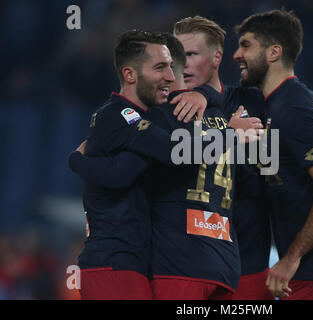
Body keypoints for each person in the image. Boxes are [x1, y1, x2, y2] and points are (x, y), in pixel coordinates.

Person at [172, 15, 313, 300]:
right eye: (176, 56)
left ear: (216, 57)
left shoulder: (259, 103)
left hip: (255, 268)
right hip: (188, 267)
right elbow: (168, 153)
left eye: (192, 54)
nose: (182, 64)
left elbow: (304, 111)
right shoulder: (169, 110)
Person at [70, 32, 257, 300]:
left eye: (171, 66)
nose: (170, 76)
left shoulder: (149, 118)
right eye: (160, 67)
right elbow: (156, 158)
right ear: (130, 75)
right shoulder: (119, 115)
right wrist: (231, 134)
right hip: (112, 262)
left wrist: (205, 96)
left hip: (133, 263)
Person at [233, 9, 313, 300]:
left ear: (274, 52)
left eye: (246, 45)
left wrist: (291, 258)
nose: (236, 55)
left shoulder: (293, 108)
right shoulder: (286, 102)